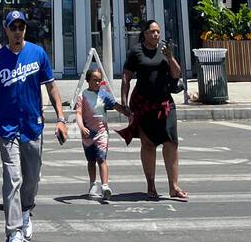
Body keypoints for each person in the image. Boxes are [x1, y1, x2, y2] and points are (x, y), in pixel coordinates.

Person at [0, 9, 67, 242]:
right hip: (7, 129)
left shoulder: (37, 53)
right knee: (13, 179)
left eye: (21, 27)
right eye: (13, 27)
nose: (17, 31)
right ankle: (14, 233)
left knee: (31, 180)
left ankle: (27, 209)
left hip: (33, 127)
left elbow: (51, 87)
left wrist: (61, 119)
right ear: (6, 30)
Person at [118, 19, 187, 201]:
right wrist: (124, 102)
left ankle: (173, 186)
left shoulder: (165, 50)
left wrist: (170, 56)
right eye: (152, 31)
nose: (156, 35)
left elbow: (176, 73)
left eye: (158, 31)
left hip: (165, 103)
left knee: (171, 142)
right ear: (145, 33)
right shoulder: (136, 51)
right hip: (144, 104)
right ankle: (151, 184)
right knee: (148, 144)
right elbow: (126, 78)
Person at [75, 63, 127, 201]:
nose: (97, 82)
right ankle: (93, 184)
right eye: (94, 80)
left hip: (102, 133)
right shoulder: (82, 96)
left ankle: (105, 186)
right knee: (91, 160)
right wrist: (81, 127)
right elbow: (78, 114)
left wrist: (130, 113)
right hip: (87, 134)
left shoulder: (104, 95)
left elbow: (117, 107)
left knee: (101, 159)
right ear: (88, 80)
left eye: (99, 80)